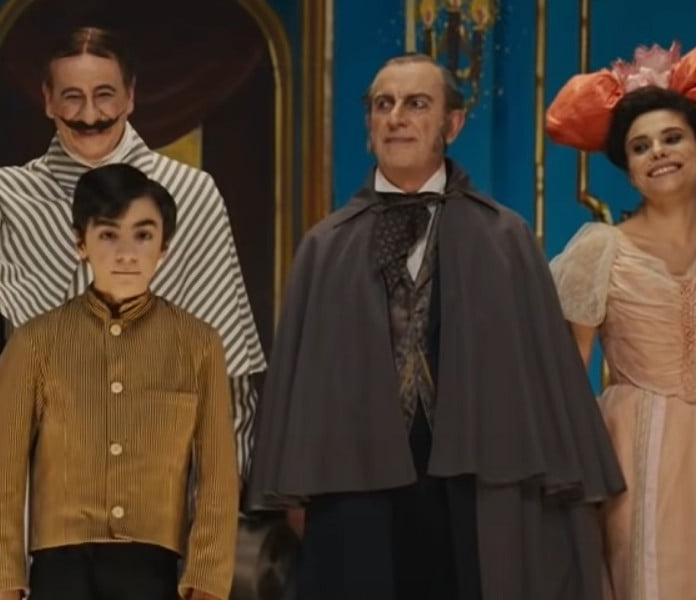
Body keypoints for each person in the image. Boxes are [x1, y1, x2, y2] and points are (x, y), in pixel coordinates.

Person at [246, 53, 625, 599]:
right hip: (355, 488)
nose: (396, 117)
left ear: (453, 123)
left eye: (416, 103)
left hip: (475, 486)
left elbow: (545, 381)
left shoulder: (505, 239)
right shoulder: (325, 247)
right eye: (383, 104)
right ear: (369, 123)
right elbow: (301, 390)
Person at [0, 26, 265, 473]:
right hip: (53, 454)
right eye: (72, 97)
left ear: (130, 96)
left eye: (104, 95)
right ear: (48, 100)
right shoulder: (12, 195)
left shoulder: (190, 193)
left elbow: (226, 352)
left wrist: (226, 473)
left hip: (165, 456)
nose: (90, 114)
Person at [0, 163, 237, 600]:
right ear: (81, 243)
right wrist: (1, 584)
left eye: (143, 235)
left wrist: (207, 582)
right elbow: (1, 474)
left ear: (164, 247)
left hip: (154, 573)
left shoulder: (199, 345)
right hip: (59, 573)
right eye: (109, 235)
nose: (126, 253)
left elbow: (218, 478)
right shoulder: (35, 342)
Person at [547, 42, 696, 599]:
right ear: (630, 172)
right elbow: (566, 375)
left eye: (672, 137)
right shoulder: (601, 249)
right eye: (640, 146)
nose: (658, 152)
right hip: (639, 452)